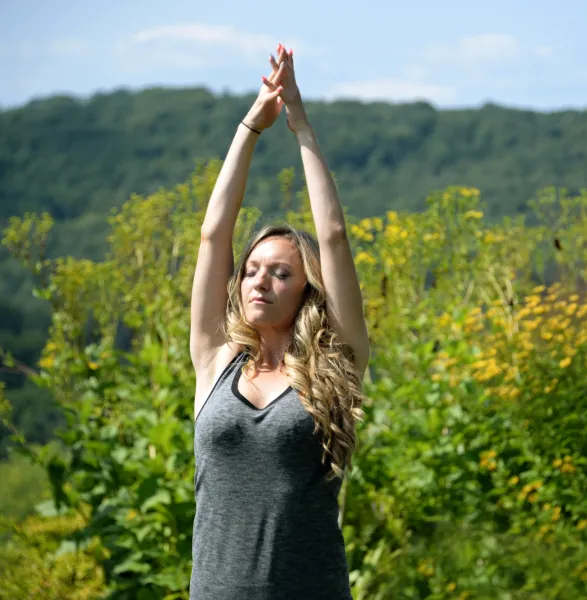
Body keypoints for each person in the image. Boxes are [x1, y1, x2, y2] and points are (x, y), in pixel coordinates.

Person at [189, 43, 370, 599]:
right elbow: (213, 236)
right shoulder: (217, 359)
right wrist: (250, 127)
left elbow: (334, 237)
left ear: (307, 288)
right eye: (251, 271)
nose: (259, 281)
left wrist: (300, 125)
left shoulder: (333, 365)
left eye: (281, 274)